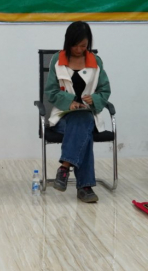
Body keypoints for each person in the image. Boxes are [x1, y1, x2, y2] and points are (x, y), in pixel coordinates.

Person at [45, 22, 111, 203]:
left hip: (88, 115)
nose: (79, 50)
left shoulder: (96, 61)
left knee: (83, 121)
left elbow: (104, 90)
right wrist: (69, 102)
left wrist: (94, 99)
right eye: (75, 45)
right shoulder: (57, 60)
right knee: (83, 129)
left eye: (83, 46)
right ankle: (85, 187)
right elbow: (51, 92)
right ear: (68, 42)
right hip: (63, 117)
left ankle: (65, 167)